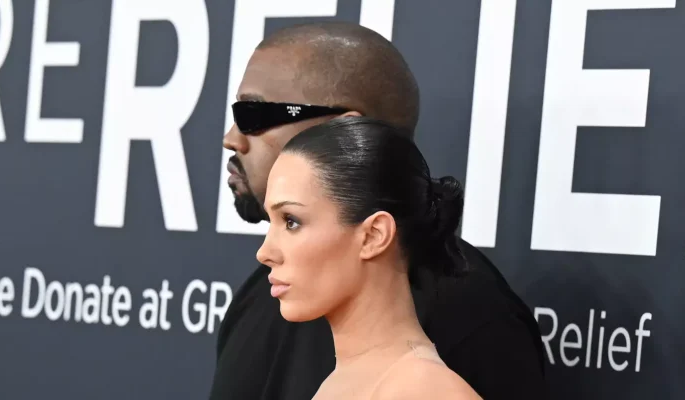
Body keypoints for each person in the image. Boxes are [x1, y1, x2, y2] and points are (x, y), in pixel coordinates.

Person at [209, 21, 546, 400]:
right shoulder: (264, 295)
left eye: (253, 115)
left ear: (344, 132)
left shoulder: (472, 321)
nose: (231, 138)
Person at [257, 116, 482, 399]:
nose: (264, 253)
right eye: (272, 221)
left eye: (291, 221)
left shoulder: (424, 389)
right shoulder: (344, 381)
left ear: (374, 235)